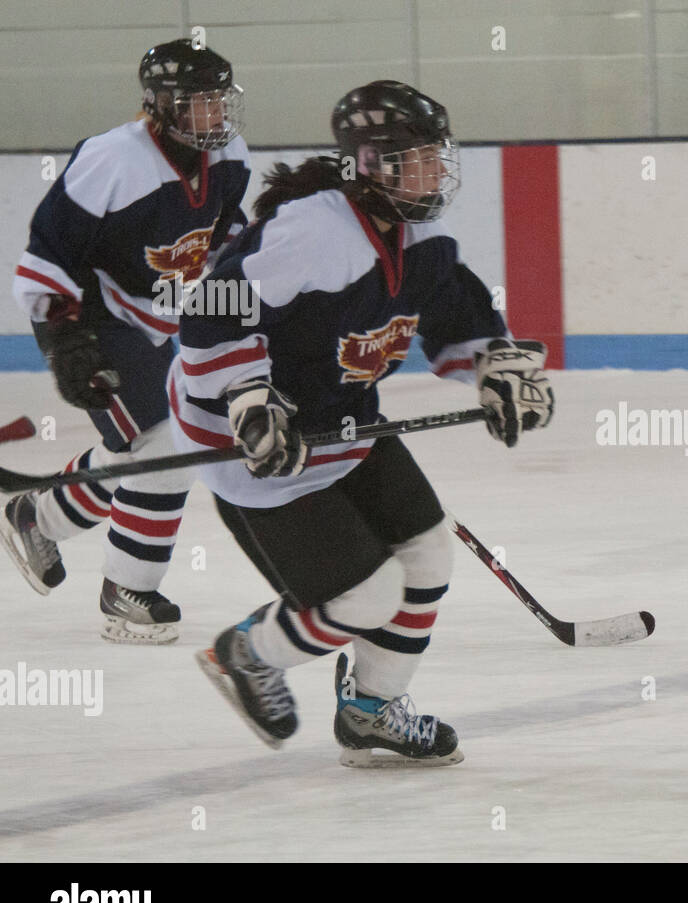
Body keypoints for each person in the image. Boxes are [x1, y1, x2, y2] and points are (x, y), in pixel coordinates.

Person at [174, 80, 554, 767]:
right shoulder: (311, 231)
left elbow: (453, 311)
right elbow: (211, 311)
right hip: (253, 439)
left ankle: (370, 709)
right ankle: (246, 656)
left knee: (428, 553)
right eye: (421, 158)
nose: (438, 171)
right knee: (368, 596)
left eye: (440, 154)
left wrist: (492, 365)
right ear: (373, 165)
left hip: (340, 420)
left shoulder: (422, 233)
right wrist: (249, 400)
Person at [4, 39, 250, 642]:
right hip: (91, 320)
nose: (218, 114)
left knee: (142, 450)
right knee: (167, 447)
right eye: (202, 103)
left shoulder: (229, 155)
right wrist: (65, 339)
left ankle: (35, 514)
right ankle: (127, 591)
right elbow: (49, 253)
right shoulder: (112, 159)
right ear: (164, 106)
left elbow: (225, 237)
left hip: (157, 318)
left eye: (222, 99)